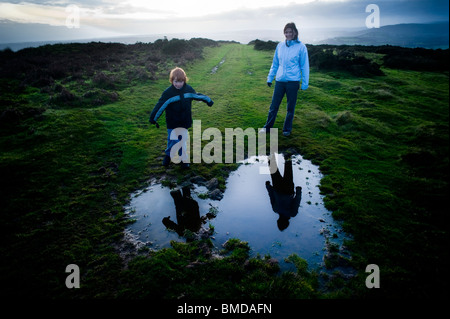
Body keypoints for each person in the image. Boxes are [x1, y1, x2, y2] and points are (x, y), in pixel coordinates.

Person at [149, 67, 214, 168]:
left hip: (184, 121)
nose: (178, 84)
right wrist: (153, 118)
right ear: (172, 80)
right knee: (172, 140)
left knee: (182, 141)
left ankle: (183, 160)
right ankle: (168, 155)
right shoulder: (168, 93)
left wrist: (208, 100)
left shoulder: (188, 90)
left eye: (180, 82)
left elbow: (197, 96)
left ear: (184, 80)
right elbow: (160, 106)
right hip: (172, 122)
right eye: (176, 81)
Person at [260, 22, 309, 137]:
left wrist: (305, 83)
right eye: (286, 32)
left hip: (293, 82)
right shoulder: (280, 46)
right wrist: (270, 77)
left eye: (290, 32)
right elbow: (275, 63)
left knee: (290, 108)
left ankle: (287, 129)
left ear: (295, 32)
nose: (288, 34)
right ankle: (267, 127)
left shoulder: (301, 47)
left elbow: (304, 66)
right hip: (280, 81)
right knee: (273, 106)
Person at [265, 153, 302, 231]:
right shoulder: (275, 209)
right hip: (277, 189)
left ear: (287, 223)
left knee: (288, 170)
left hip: (288, 190)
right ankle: (270, 153)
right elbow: (271, 196)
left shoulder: (292, 214)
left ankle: (287, 154)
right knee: (274, 171)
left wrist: (298, 191)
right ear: (278, 221)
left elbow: (296, 202)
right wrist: (268, 186)